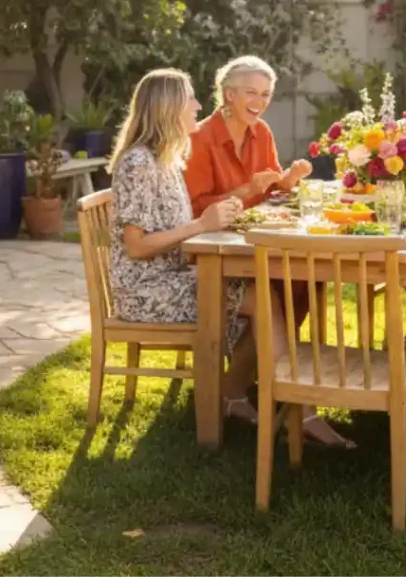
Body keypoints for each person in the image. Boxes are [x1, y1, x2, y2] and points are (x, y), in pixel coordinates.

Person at [109, 68, 352, 446]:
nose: (198, 106)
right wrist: (199, 225)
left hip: (175, 274)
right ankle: (297, 409)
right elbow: (136, 246)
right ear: (169, 107)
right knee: (263, 296)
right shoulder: (140, 163)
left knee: (272, 292)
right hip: (147, 289)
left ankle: (260, 399)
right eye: (190, 99)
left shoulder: (168, 157)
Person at [184, 55, 312, 216]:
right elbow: (193, 209)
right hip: (214, 237)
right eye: (251, 92)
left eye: (265, 94)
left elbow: (272, 192)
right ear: (230, 95)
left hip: (257, 231)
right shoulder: (198, 138)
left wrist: (290, 178)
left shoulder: (262, 132)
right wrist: (248, 190)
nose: (259, 102)